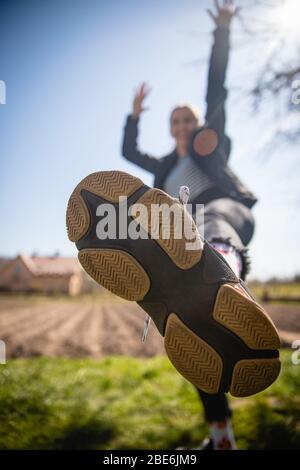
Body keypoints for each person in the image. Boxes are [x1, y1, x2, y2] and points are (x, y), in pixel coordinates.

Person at [121, 0, 255, 450]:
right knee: (196, 340)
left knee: (211, 219)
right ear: (170, 126)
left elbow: (217, 91)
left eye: (187, 119)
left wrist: (221, 32)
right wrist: (135, 116)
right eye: (175, 120)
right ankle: (221, 437)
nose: (182, 125)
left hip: (229, 221)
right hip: (189, 241)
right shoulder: (161, 168)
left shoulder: (208, 145)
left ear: (197, 123)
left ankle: (223, 265)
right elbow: (128, 154)